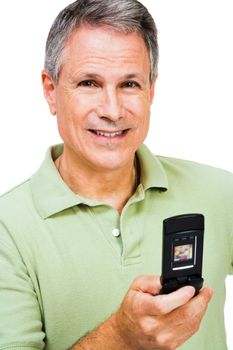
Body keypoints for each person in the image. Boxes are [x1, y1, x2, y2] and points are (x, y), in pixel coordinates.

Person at [0, 0, 232, 349]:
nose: (112, 110)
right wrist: (122, 338)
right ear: (51, 91)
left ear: (151, 90)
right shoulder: (7, 229)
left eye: (129, 84)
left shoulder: (221, 193)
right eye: (89, 83)